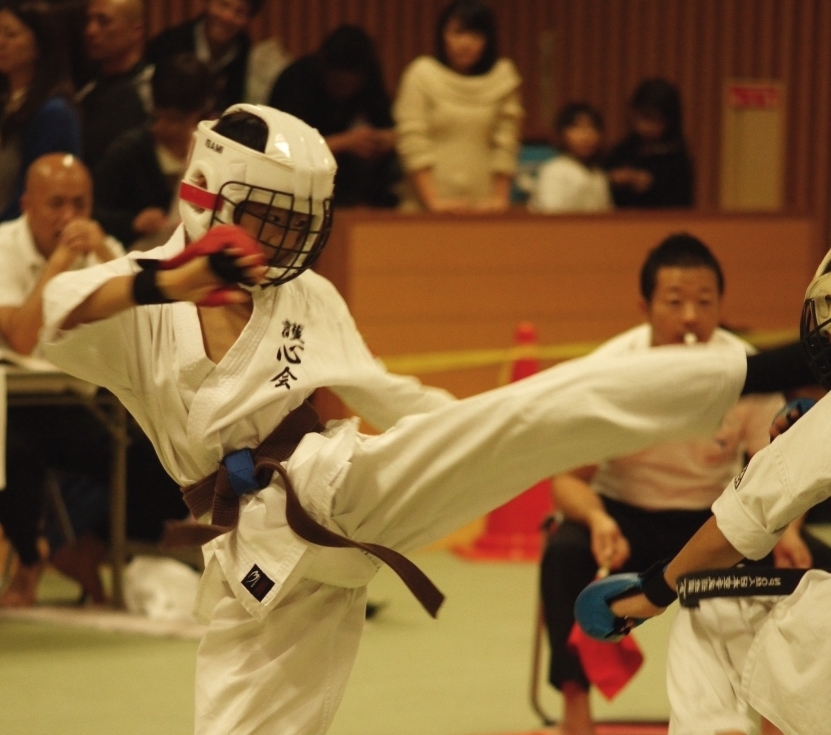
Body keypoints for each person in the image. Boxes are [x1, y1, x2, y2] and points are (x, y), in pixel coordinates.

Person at [37, 103, 751, 734]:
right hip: (257, 557)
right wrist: (166, 282)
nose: (282, 241)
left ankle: (750, 372)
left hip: (331, 483)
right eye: (269, 219)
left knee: (526, 418)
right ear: (207, 197)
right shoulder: (142, 296)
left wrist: (469, 428)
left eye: (297, 225)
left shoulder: (305, 296)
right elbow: (36, 319)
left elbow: (387, 394)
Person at [538, 234, 802, 735]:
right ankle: (575, 712)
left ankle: (779, 716)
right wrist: (595, 519)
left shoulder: (746, 368)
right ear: (645, 307)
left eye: (704, 303)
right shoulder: (611, 370)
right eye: (674, 302)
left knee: (811, 565)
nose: (690, 317)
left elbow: (781, 471)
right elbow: (567, 484)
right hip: (625, 516)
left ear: (720, 307)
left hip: (717, 520)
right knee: (564, 553)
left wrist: (787, 531)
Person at [0, 153, 121, 607]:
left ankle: (84, 550)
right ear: (27, 204)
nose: (69, 217)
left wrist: (106, 256)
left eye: (80, 204)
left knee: (149, 455)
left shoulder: (101, 244)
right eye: (56, 204)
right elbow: (24, 338)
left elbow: (142, 325)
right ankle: (29, 561)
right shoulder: (2, 247)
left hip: (81, 397)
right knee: (11, 456)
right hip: (13, 402)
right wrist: (60, 262)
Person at [394, 0, 523, 213]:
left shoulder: (503, 77)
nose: (465, 43)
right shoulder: (421, 74)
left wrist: (499, 200)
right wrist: (433, 202)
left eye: (475, 35)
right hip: (424, 209)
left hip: (485, 208)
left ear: (488, 40)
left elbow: (506, 143)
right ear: (442, 34)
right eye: (457, 33)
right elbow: (412, 141)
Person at [269, 25, 399, 208]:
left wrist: (380, 140)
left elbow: (389, 127)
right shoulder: (297, 78)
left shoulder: (369, 76)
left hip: (346, 169)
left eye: (350, 86)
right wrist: (345, 142)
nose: (343, 92)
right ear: (325, 69)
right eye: (338, 84)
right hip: (294, 175)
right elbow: (283, 149)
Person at [93, 53, 213, 249]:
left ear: (199, 112)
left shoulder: (210, 153)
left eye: (177, 120)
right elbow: (92, 211)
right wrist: (132, 222)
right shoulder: (128, 151)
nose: (166, 127)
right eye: (160, 116)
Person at [0, 0, 82, 222]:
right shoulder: (7, 102)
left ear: (38, 46)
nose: (1, 42)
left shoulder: (54, 114)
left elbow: (36, 197)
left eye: (10, 34)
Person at [146, 0, 264, 116]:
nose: (227, 17)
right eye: (223, 5)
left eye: (239, 12)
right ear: (208, 3)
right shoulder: (169, 44)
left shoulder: (242, 47)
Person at [77, 0, 152, 171]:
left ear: (136, 30)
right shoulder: (85, 93)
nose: (90, 31)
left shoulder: (151, 93)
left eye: (104, 21)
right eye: (89, 20)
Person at [605, 78, 694, 209]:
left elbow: (682, 203)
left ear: (669, 121)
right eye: (642, 116)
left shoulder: (677, 158)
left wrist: (653, 186)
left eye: (655, 119)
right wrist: (612, 180)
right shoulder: (622, 151)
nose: (646, 126)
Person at [529, 102, 613, 214]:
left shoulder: (598, 173)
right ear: (562, 133)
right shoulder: (554, 170)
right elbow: (549, 218)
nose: (585, 135)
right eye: (577, 127)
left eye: (591, 127)